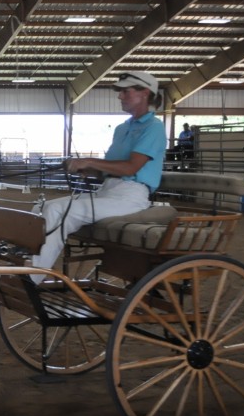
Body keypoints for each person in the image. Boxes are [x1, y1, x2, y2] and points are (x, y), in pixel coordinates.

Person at [27, 71, 166, 284]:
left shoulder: (154, 127)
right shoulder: (122, 129)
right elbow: (110, 169)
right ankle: (26, 265)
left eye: (125, 91)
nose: (120, 96)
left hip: (131, 197)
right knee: (40, 208)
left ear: (145, 93)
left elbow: (130, 168)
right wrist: (84, 167)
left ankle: (31, 279)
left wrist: (90, 161)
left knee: (57, 211)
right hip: (108, 192)